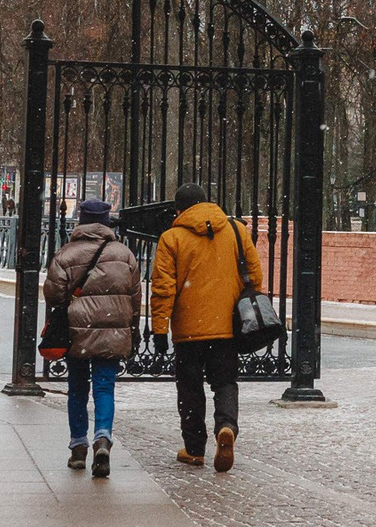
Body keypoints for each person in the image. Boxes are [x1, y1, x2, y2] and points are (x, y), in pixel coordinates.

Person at [150, 183, 246, 473]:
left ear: (179, 210)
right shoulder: (236, 230)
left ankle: (194, 449)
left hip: (188, 331)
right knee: (225, 382)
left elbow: (163, 289)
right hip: (225, 326)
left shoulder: (171, 238)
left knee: (190, 388)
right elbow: (253, 273)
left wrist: (159, 330)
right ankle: (226, 426)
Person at [43, 198, 142, 478]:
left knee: (77, 389)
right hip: (112, 332)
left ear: (81, 221)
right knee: (104, 388)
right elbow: (136, 298)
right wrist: (131, 329)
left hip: (76, 332)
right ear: (107, 222)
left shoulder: (66, 254)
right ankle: (102, 438)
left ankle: (78, 447)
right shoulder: (124, 255)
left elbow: (53, 294)